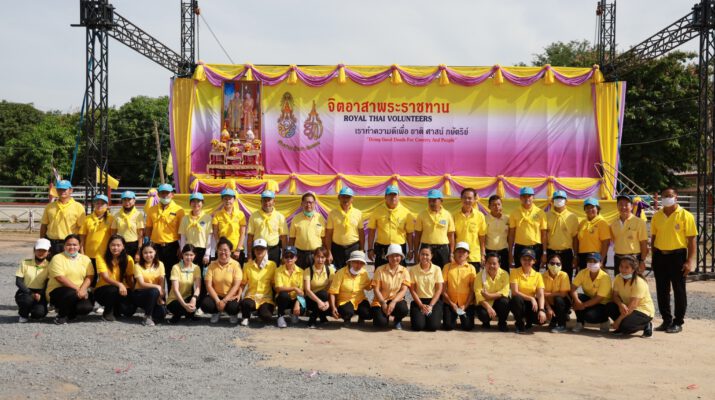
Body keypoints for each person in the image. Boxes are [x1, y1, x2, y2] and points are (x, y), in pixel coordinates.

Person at [650, 187, 696, 333]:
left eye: (670, 195)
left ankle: (678, 322)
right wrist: (653, 256)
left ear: (676, 197)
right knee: (662, 289)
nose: (667, 198)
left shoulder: (686, 215)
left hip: (677, 256)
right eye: (664, 196)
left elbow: (691, 240)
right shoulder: (657, 216)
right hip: (660, 256)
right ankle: (666, 320)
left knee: (679, 289)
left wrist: (689, 261)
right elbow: (654, 237)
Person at [46, 234, 95, 324]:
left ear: (79, 246)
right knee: (71, 293)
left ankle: (71, 313)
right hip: (58, 291)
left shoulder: (85, 259)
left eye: (75, 245)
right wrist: (78, 289)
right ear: (64, 246)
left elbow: (90, 276)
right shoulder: (57, 258)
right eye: (68, 244)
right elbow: (60, 278)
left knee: (86, 307)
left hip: (79, 291)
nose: (72, 247)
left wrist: (83, 289)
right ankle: (61, 316)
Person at [145, 183, 185, 286]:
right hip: (155, 246)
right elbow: (149, 227)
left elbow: (182, 231)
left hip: (172, 246)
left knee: (172, 275)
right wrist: (147, 244)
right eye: (162, 193)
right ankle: (159, 295)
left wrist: (181, 247)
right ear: (158, 194)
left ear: (172, 194)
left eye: (167, 193)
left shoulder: (179, 210)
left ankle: (172, 296)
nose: (165, 195)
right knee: (157, 275)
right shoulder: (152, 209)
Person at [178, 192, 212, 311]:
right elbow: (182, 236)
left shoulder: (207, 218)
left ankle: (199, 304)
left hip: (202, 251)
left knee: (201, 278)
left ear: (202, 203)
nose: (196, 204)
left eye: (199, 201)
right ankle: (187, 302)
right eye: (193, 201)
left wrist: (207, 254)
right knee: (188, 277)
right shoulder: (185, 218)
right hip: (189, 251)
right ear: (190, 203)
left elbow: (209, 237)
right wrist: (183, 253)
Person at [367, 185, 414, 267]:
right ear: (385, 197)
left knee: (399, 272)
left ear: (398, 196)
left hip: (399, 247)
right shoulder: (377, 211)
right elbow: (371, 231)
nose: (393, 198)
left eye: (395, 195)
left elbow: (409, 233)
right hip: (382, 247)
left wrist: (410, 250)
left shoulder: (406, 213)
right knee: (380, 271)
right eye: (390, 195)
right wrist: (370, 249)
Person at [607, 255, 655, 337]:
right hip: (627, 307)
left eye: (627, 267)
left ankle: (647, 324)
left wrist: (618, 321)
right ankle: (622, 326)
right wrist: (620, 304)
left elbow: (633, 305)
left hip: (642, 310)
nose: (623, 269)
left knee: (626, 327)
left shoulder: (638, 282)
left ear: (633, 269)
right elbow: (614, 296)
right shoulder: (618, 277)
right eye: (621, 266)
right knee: (609, 306)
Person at [94, 235, 136, 321]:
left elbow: (129, 278)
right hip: (104, 289)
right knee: (113, 289)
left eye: (118, 245)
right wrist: (119, 284)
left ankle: (115, 308)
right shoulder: (100, 257)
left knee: (129, 311)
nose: (115, 248)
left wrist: (134, 291)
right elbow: (105, 277)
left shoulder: (128, 259)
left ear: (123, 246)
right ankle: (107, 313)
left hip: (122, 289)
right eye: (112, 245)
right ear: (108, 246)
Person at [202, 237, 242, 324]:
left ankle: (232, 314)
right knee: (205, 304)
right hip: (216, 296)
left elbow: (236, 285)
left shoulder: (236, 265)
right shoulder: (212, 265)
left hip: (231, 296)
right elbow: (208, 285)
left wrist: (224, 301)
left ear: (230, 251)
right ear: (217, 251)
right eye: (220, 250)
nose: (223, 252)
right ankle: (216, 312)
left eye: (225, 250)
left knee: (234, 307)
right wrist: (217, 301)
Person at [40, 180, 86, 257]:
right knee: (52, 264)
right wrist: (42, 242)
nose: (62, 191)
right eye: (60, 189)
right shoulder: (49, 206)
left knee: (69, 264)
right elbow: (44, 225)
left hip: (70, 244)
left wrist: (81, 248)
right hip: (51, 244)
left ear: (71, 190)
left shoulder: (78, 207)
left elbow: (82, 229)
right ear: (56, 191)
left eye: (65, 189)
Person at [371, 244, 411, 330]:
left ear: (401, 257)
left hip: (395, 300)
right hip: (380, 301)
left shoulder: (404, 271)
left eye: (397, 256)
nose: (394, 258)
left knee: (403, 309)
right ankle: (383, 317)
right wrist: (383, 303)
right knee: (381, 323)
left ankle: (397, 320)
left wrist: (394, 302)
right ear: (387, 257)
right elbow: (376, 289)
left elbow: (403, 290)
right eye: (391, 256)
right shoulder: (379, 270)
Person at [570, 253, 612, 333]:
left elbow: (599, 298)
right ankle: (579, 323)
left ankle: (604, 320)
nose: (592, 263)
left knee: (590, 316)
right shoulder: (583, 272)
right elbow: (573, 288)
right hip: (590, 299)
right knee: (577, 297)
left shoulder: (605, 277)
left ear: (600, 263)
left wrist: (582, 305)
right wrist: (577, 301)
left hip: (603, 304)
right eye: (589, 261)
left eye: (595, 261)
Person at [240, 239, 277, 326]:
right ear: (254, 251)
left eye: (262, 249)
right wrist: (238, 295)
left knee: (266, 317)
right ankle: (246, 317)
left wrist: (278, 297)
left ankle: (260, 312)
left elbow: (274, 283)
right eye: (257, 249)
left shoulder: (272, 265)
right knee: (245, 303)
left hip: (265, 298)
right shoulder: (247, 265)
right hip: (251, 297)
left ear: (266, 250)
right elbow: (243, 283)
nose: (259, 251)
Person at [508, 187, 548, 270]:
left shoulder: (540, 212)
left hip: (536, 248)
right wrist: (510, 252)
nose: (527, 198)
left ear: (533, 197)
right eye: (524, 196)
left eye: (529, 196)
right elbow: (511, 234)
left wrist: (544, 252)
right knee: (519, 273)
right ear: (520, 198)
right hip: (519, 248)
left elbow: (544, 235)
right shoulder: (514, 212)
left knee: (534, 273)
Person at [329, 250, 372, 325]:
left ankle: (361, 317)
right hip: (344, 300)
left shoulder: (364, 272)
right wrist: (333, 307)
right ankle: (347, 318)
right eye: (356, 262)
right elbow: (332, 292)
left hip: (359, 299)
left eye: (361, 263)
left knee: (369, 314)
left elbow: (368, 287)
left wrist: (375, 281)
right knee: (347, 312)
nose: (359, 265)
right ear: (350, 262)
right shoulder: (340, 273)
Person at [509, 248, 547, 334]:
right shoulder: (514, 272)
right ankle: (519, 323)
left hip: (531, 305)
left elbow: (541, 294)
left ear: (534, 261)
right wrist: (531, 298)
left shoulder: (538, 275)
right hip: (520, 303)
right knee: (516, 299)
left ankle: (529, 321)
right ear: (520, 260)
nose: (527, 261)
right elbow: (515, 292)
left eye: (530, 259)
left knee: (541, 321)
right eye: (524, 259)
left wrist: (542, 310)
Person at [415, 189, 455, 269]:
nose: (431, 203)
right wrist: (416, 252)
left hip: (443, 249)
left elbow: (451, 236)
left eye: (434, 200)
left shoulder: (447, 215)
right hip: (426, 248)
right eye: (430, 200)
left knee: (444, 271)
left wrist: (451, 253)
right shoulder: (422, 214)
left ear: (441, 201)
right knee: (425, 271)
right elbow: (417, 235)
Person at [246, 190, 288, 266]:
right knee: (257, 270)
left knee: (273, 271)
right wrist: (249, 255)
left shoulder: (280, 217)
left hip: (274, 250)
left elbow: (284, 238)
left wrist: (284, 256)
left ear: (274, 202)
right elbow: (250, 237)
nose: (267, 203)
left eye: (269, 200)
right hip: (258, 249)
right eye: (264, 200)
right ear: (261, 202)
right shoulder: (254, 216)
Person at [79, 194, 114, 286]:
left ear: (107, 205)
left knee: (105, 278)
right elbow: (82, 237)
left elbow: (114, 237)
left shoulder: (111, 219)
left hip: (105, 253)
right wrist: (82, 252)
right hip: (90, 254)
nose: (99, 205)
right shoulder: (87, 219)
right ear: (93, 204)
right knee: (91, 277)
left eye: (102, 203)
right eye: (97, 203)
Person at [441, 242, 476, 331]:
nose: (461, 254)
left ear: (468, 254)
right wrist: (452, 304)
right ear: (454, 253)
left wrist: (465, 306)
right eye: (459, 251)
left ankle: (460, 317)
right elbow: (443, 289)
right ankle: (453, 317)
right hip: (450, 302)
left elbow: (472, 290)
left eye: (464, 252)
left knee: (468, 327)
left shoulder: (471, 268)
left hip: (466, 304)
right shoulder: (447, 267)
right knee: (448, 326)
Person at [326, 187, 364, 269]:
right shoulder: (332, 213)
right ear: (339, 197)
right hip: (337, 249)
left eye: (348, 197)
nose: (345, 199)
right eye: (343, 196)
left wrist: (362, 249)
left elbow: (361, 232)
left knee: (353, 271)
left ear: (352, 199)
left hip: (353, 247)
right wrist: (329, 252)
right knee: (337, 272)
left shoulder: (358, 213)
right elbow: (328, 234)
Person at [610, 194, 648, 274]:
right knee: (619, 281)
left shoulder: (639, 222)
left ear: (631, 207)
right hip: (618, 258)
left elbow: (644, 243)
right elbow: (613, 240)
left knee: (634, 281)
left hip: (633, 258)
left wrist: (642, 261)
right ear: (617, 206)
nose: (623, 207)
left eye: (626, 204)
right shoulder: (613, 223)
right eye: (620, 204)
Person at [545, 190, 579, 281]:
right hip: (551, 252)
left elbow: (575, 238)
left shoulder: (572, 217)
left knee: (566, 279)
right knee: (550, 279)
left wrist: (575, 256)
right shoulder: (546, 215)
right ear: (552, 201)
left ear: (566, 201)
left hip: (566, 253)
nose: (559, 200)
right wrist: (544, 253)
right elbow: (543, 236)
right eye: (556, 198)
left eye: (561, 198)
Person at [15, 238, 51, 322]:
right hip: (25, 291)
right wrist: (31, 293)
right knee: (26, 300)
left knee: (39, 314)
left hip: (41, 292)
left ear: (48, 252)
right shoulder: (25, 262)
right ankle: (23, 314)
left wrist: (40, 293)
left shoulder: (50, 265)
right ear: (34, 250)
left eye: (44, 251)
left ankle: (32, 309)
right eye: (38, 250)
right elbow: (18, 281)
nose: (41, 253)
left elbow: (48, 282)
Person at [408, 247, 444, 332]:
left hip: (433, 302)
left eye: (427, 255)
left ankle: (428, 317)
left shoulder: (437, 269)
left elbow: (439, 289)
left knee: (433, 326)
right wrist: (421, 305)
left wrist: (431, 306)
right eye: (422, 254)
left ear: (431, 256)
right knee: (418, 326)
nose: (424, 257)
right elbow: (412, 290)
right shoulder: (413, 269)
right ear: (419, 255)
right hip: (419, 301)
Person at [132, 243, 167, 326]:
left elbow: (161, 281)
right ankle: (147, 316)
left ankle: (151, 311)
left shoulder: (160, 264)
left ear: (155, 252)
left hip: (155, 294)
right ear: (142, 254)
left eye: (150, 252)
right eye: (145, 253)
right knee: (154, 291)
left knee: (161, 314)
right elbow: (142, 283)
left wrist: (159, 297)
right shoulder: (137, 266)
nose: (148, 255)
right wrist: (157, 287)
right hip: (140, 294)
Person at [474, 253, 510, 331]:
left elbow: (505, 292)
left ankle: (502, 323)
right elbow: (478, 295)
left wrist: (489, 296)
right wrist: (488, 307)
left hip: (498, 302)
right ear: (485, 263)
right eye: (489, 263)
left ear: (499, 264)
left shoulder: (505, 274)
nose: (491, 266)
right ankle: (486, 322)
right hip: (485, 303)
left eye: (494, 263)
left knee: (505, 302)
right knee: (483, 314)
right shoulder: (479, 275)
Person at [289, 192, 326, 269]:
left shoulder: (320, 218)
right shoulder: (296, 218)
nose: (308, 204)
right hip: (300, 254)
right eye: (306, 202)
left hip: (316, 254)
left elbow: (323, 238)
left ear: (314, 204)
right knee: (300, 274)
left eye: (311, 202)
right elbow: (292, 238)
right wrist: (291, 254)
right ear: (302, 204)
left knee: (314, 275)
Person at [453, 188, 487, 272]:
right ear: (461, 199)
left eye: (470, 198)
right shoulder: (454, 216)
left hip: (474, 256)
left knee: (474, 279)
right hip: (459, 256)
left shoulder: (480, 216)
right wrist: (452, 253)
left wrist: (483, 254)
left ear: (474, 199)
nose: (467, 200)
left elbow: (482, 237)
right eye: (465, 198)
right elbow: (453, 236)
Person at [167, 244, 202, 323]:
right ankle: (178, 315)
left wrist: (194, 298)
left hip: (187, 297)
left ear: (195, 256)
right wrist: (185, 305)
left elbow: (198, 287)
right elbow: (175, 289)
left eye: (191, 255)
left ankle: (189, 314)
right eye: (186, 254)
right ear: (182, 254)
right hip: (174, 299)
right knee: (179, 307)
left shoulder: (196, 268)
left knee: (199, 299)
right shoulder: (176, 267)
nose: (189, 257)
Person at [575, 198, 611, 271]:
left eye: (592, 207)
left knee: (595, 277)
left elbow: (606, 243)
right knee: (583, 277)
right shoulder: (582, 223)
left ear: (597, 209)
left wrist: (602, 260)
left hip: (596, 256)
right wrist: (576, 256)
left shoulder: (602, 222)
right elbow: (578, 240)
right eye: (587, 208)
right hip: (582, 256)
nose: (590, 210)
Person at [212, 188, 247, 263]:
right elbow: (215, 233)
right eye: (225, 199)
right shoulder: (217, 215)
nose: (227, 201)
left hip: (236, 251)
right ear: (222, 200)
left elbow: (243, 233)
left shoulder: (240, 214)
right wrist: (219, 247)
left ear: (234, 200)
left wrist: (238, 249)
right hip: (222, 251)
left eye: (230, 198)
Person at [274, 246, 305, 328]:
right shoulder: (278, 270)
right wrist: (294, 288)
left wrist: (297, 304)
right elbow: (278, 288)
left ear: (296, 258)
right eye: (286, 256)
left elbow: (301, 291)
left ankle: (293, 313)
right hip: (284, 298)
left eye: (291, 256)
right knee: (283, 295)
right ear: (283, 258)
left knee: (302, 308)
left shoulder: (301, 272)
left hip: (295, 298)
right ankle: (280, 316)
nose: (289, 259)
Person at [304, 247, 335, 328]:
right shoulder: (308, 270)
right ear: (314, 257)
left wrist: (328, 301)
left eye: (322, 257)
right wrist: (319, 301)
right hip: (310, 299)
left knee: (324, 294)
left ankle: (322, 316)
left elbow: (330, 289)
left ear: (326, 258)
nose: (320, 260)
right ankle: (312, 319)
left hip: (324, 298)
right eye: (318, 257)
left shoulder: (330, 270)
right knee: (322, 294)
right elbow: (307, 290)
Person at [111, 190, 144, 262]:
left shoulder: (138, 215)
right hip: (120, 245)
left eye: (129, 199)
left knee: (133, 266)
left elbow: (140, 235)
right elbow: (113, 233)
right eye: (124, 200)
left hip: (134, 245)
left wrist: (139, 251)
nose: (127, 202)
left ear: (134, 200)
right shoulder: (117, 215)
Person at [542, 254, 571, 333]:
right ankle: (554, 319)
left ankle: (562, 325)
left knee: (558, 299)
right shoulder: (542, 276)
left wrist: (548, 294)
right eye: (552, 263)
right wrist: (548, 308)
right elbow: (541, 295)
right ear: (547, 264)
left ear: (561, 265)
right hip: (548, 303)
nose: (555, 266)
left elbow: (563, 294)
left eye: (558, 264)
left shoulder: (564, 275)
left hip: (563, 303)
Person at [484, 195, 510, 270]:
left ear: (501, 205)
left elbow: (510, 236)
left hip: (504, 251)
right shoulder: (485, 219)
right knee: (489, 273)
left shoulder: (507, 219)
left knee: (504, 273)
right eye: (494, 205)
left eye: (499, 204)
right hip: (489, 251)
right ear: (489, 207)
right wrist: (483, 253)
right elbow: (483, 237)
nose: (497, 207)